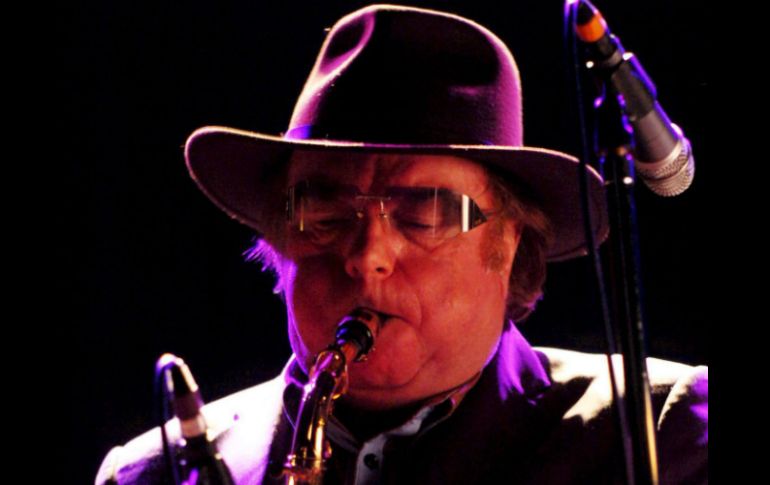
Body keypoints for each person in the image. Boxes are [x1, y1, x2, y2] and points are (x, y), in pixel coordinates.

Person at [96, 4, 708, 484]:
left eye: (425, 213)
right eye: (325, 211)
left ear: (511, 243)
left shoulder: (664, 429)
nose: (367, 257)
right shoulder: (150, 474)